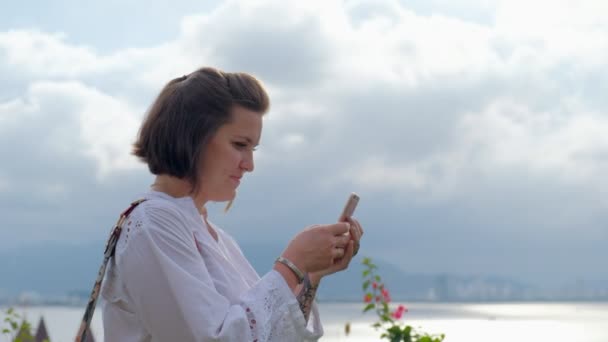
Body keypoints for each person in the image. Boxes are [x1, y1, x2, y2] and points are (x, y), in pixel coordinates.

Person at [100, 66, 364, 341]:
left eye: (253, 149)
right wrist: (293, 263)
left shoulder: (218, 239)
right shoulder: (155, 223)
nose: (249, 165)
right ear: (193, 137)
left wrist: (309, 275)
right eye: (239, 144)